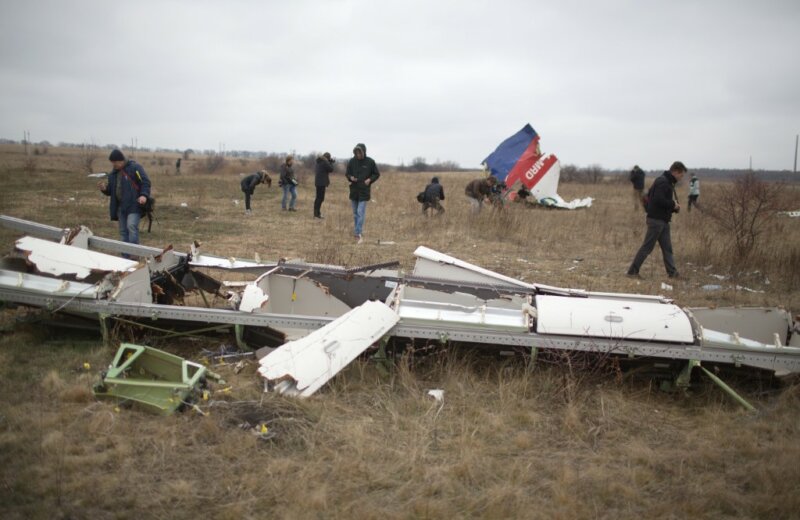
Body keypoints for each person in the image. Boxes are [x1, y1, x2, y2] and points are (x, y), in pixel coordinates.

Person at [626, 161, 687, 278]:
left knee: (667, 249)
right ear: (675, 172)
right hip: (656, 221)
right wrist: (672, 205)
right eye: (681, 175)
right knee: (647, 247)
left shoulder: (666, 181)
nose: (681, 177)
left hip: (662, 220)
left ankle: (673, 274)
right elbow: (658, 200)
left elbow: (656, 199)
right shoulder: (663, 182)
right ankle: (632, 272)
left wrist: (673, 208)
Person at [97, 149, 151, 247]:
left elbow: (145, 182)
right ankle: (125, 257)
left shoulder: (135, 168)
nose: (114, 165)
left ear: (121, 160)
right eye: (112, 163)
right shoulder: (113, 174)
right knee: (123, 231)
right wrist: (104, 189)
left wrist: (144, 195)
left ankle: (134, 255)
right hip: (120, 207)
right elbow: (110, 191)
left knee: (131, 226)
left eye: (115, 162)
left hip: (134, 205)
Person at [346, 143, 380, 243]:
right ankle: (358, 231)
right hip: (354, 191)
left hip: (364, 191)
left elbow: (376, 174)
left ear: (363, 152)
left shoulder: (370, 162)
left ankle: (357, 233)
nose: (358, 155)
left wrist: (369, 180)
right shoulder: (352, 161)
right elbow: (347, 173)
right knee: (355, 214)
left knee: (360, 212)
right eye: (356, 153)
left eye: (359, 153)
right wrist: (350, 177)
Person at [313, 152, 334, 219]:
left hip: (318, 182)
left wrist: (329, 162)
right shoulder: (325, 162)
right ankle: (316, 214)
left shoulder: (319, 161)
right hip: (321, 183)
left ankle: (316, 213)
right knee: (320, 198)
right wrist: (331, 162)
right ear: (328, 157)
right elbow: (331, 169)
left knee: (318, 198)